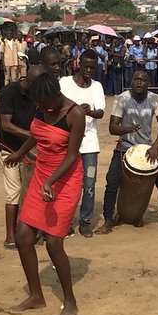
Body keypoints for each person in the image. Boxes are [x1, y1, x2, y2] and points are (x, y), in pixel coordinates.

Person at [2, 73, 86, 315]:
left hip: (66, 179)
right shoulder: (42, 107)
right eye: (39, 104)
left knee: (53, 243)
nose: (43, 109)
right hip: (43, 176)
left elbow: (71, 156)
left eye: (47, 103)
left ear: (57, 94)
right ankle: (36, 296)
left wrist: (51, 181)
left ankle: (70, 300)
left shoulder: (75, 114)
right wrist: (19, 153)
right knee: (23, 237)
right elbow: (36, 135)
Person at [98, 69, 158, 233]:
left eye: (143, 80)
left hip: (147, 149)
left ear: (148, 84)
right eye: (136, 79)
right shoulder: (122, 99)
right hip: (124, 148)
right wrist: (128, 129)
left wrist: (155, 147)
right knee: (112, 182)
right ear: (131, 81)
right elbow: (112, 128)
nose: (139, 82)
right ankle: (108, 220)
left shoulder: (155, 99)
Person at [60, 50, 105, 237]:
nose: (88, 70)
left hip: (89, 143)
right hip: (67, 142)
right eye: (85, 66)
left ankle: (85, 221)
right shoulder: (64, 83)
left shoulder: (97, 87)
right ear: (78, 63)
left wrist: (90, 111)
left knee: (89, 183)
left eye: (92, 68)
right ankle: (67, 221)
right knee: (67, 184)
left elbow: (101, 112)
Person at [0, 64, 40, 249]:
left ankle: (28, 230)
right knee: (14, 191)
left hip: (27, 147)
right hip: (9, 147)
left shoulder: (37, 94)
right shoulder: (9, 92)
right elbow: (6, 124)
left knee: (30, 189)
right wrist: (32, 135)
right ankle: (10, 236)